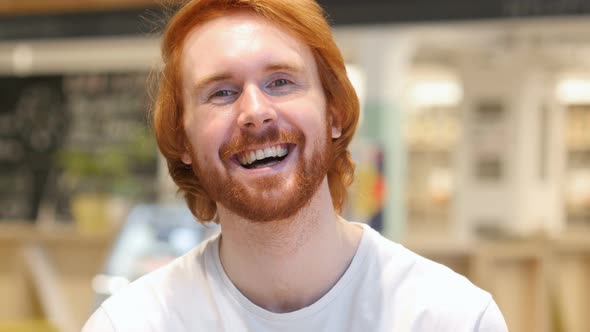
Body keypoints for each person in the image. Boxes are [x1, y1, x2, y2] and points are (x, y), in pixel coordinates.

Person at [83, 0, 508, 331]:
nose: (255, 111)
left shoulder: (451, 319)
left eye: (280, 82)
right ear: (184, 141)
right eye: (222, 92)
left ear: (334, 113)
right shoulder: (131, 325)